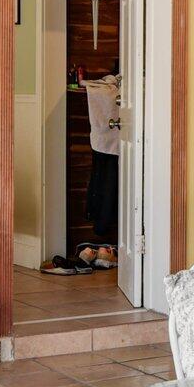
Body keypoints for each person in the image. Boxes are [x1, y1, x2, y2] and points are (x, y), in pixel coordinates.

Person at [80, 72, 123, 268]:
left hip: (107, 143)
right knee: (106, 183)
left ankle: (104, 241)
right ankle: (104, 239)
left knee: (106, 183)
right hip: (110, 144)